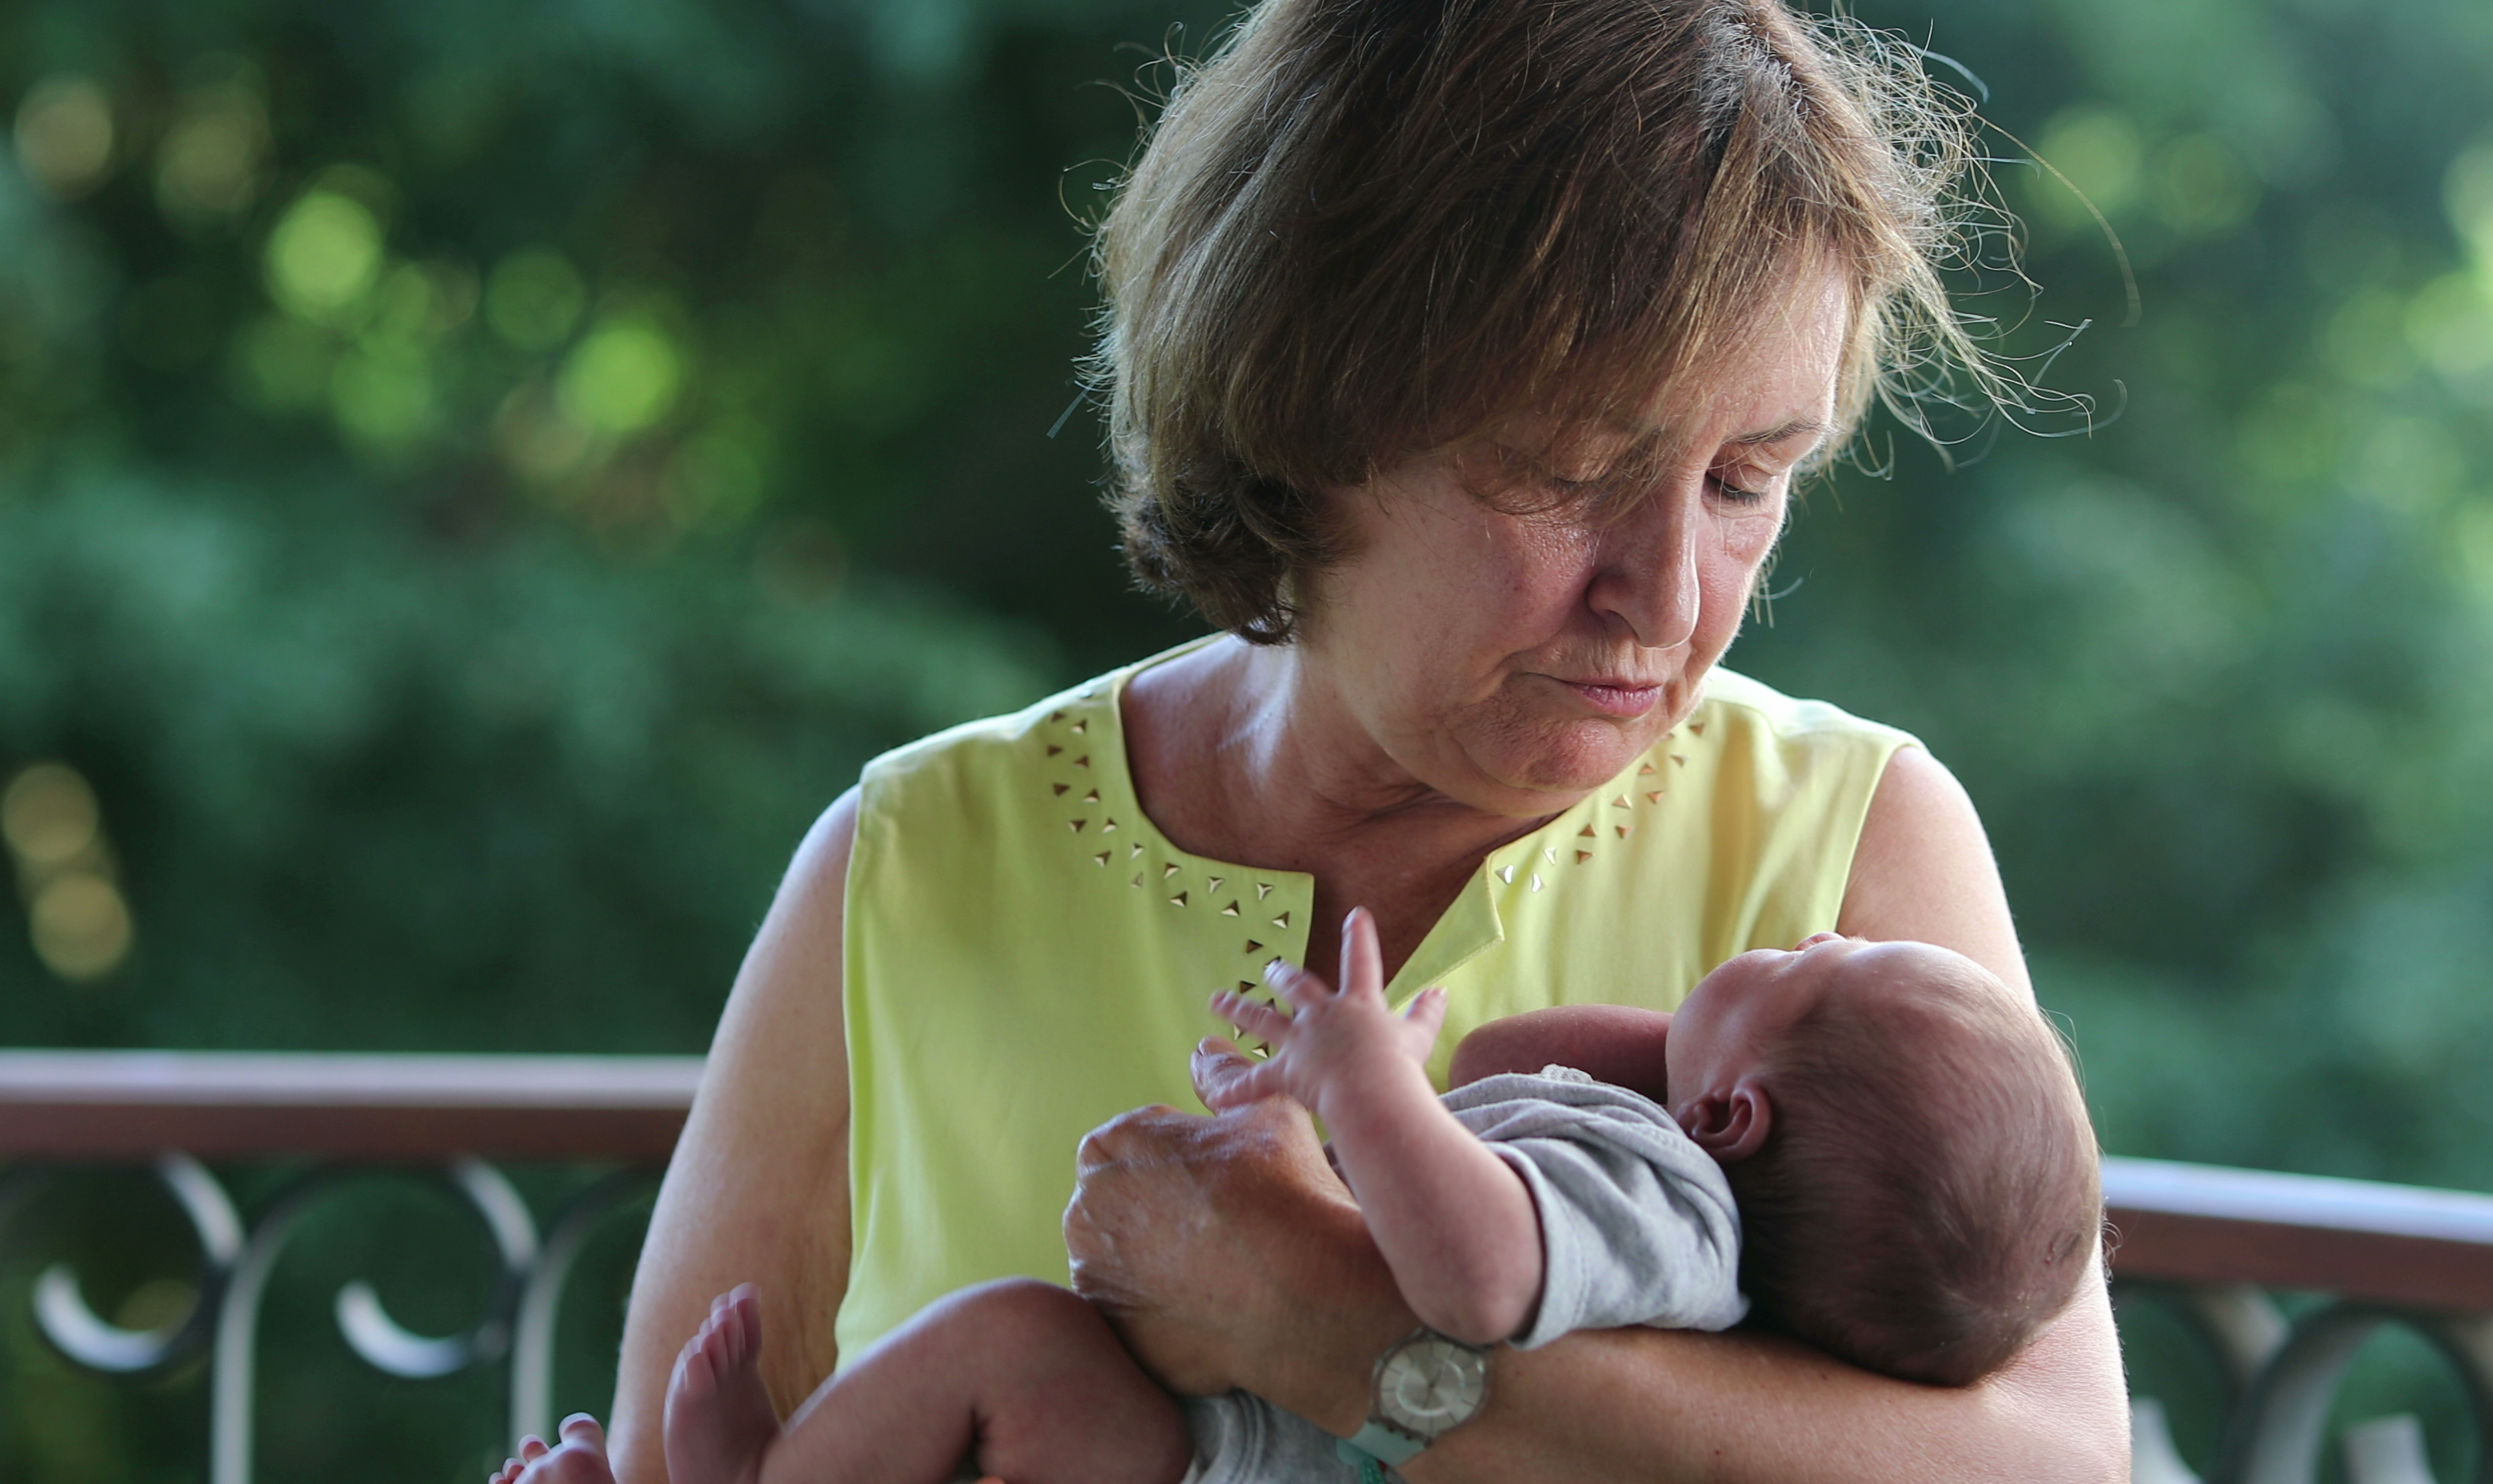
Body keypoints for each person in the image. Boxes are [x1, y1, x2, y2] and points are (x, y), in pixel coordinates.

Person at [496, 1, 2134, 1479]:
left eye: (1743, 481)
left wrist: (1344, 1335)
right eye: (1568, 470)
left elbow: (2047, 1473)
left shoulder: (1849, 841)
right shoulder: (911, 867)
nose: (1664, 598)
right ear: (1301, 415)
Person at [542, 926, 2094, 1484]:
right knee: (1002, 1360)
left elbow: (1477, 1276)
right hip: (1207, 1442)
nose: (1807, 930)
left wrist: (1364, 1092)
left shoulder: (1672, 1200)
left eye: (1813, 967)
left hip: (1227, 1458)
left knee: (1007, 1342)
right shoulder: (1660, 1171)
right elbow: (1505, 1071)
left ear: (1730, 1121)